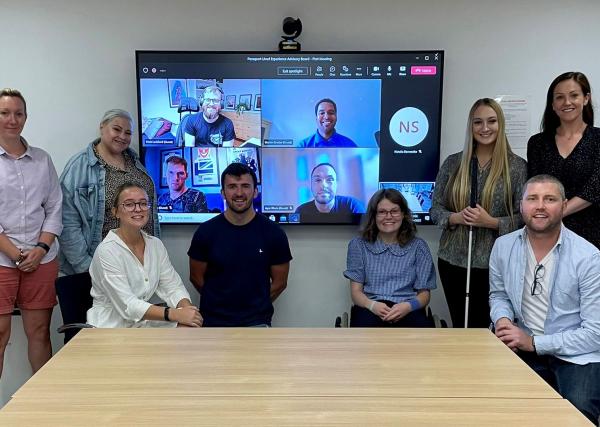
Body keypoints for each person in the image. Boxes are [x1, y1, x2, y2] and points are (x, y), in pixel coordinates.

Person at [490, 175, 600, 424]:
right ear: (521, 205)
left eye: (549, 199)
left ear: (564, 206)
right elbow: (498, 295)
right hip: (522, 345)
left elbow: (595, 333)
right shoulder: (502, 247)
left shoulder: (589, 258)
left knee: (577, 412)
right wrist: (503, 319)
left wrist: (534, 343)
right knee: (500, 407)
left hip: (577, 355)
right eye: (532, 198)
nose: (540, 206)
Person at [59, 109, 159, 340]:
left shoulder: (135, 162)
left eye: (128, 132)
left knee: (132, 338)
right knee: (93, 343)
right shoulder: (80, 166)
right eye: (116, 129)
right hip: (94, 268)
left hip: (134, 268)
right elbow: (67, 220)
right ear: (102, 128)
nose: (122, 136)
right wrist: (87, 267)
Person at [430, 98, 527, 328]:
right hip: (453, 261)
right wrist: (456, 217)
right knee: (461, 326)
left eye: (491, 121)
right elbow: (435, 209)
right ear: (470, 126)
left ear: (500, 124)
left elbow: (525, 217)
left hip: (496, 263)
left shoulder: (517, 167)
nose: (485, 128)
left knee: (489, 328)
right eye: (478, 122)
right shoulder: (454, 163)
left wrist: (491, 222)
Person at [0, 88, 62, 377]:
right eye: (4, 113)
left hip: (42, 260)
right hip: (2, 260)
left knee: (39, 332)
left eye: (18, 113)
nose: (12, 119)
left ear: (25, 117)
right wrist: (15, 253)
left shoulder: (42, 160)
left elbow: (54, 207)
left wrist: (41, 249)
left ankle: (43, 412)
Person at [188, 163, 292, 327]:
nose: (239, 193)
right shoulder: (205, 232)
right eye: (232, 187)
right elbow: (195, 277)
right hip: (213, 323)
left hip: (257, 323)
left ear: (255, 191)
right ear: (223, 193)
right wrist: (219, 301)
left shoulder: (274, 233)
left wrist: (254, 306)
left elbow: (280, 283)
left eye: (245, 186)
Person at [88, 183, 201, 328]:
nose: (138, 209)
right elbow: (128, 305)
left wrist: (187, 310)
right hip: (112, 327)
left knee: (189, 327)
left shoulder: (155, 245)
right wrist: (175, 314)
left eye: (143, 203)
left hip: (143, 322)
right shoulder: (107, 251)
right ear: (115, 212)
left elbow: (172, 286)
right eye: (129, 204)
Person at [527, 71, 600, 249]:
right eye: (559, 97)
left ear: (586, 98)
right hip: (546, 233)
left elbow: (595, 188)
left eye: (574, 95)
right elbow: (535, 186)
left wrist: (557, 212)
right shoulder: (538, 143)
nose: (567, 102)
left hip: (592, 234)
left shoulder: (598, 139)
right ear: (552, 104)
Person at [344, 189, 436, 327]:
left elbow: (424, 295)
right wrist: (373, 306)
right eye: (382, 212)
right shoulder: (358, 245)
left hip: (408, 308)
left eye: (394, 211)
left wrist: (408, 306)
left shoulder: (419, 246)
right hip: (371, 308)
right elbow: (356, 293)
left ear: (403, 214)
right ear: (373, 216)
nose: (388, 216)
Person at [295, 163, 365, 223]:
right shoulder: (301, 211)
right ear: (311, 185)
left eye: (329, 179)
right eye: (318, 180)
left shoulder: (352, 206)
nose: (323, 185)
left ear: (336, 184)